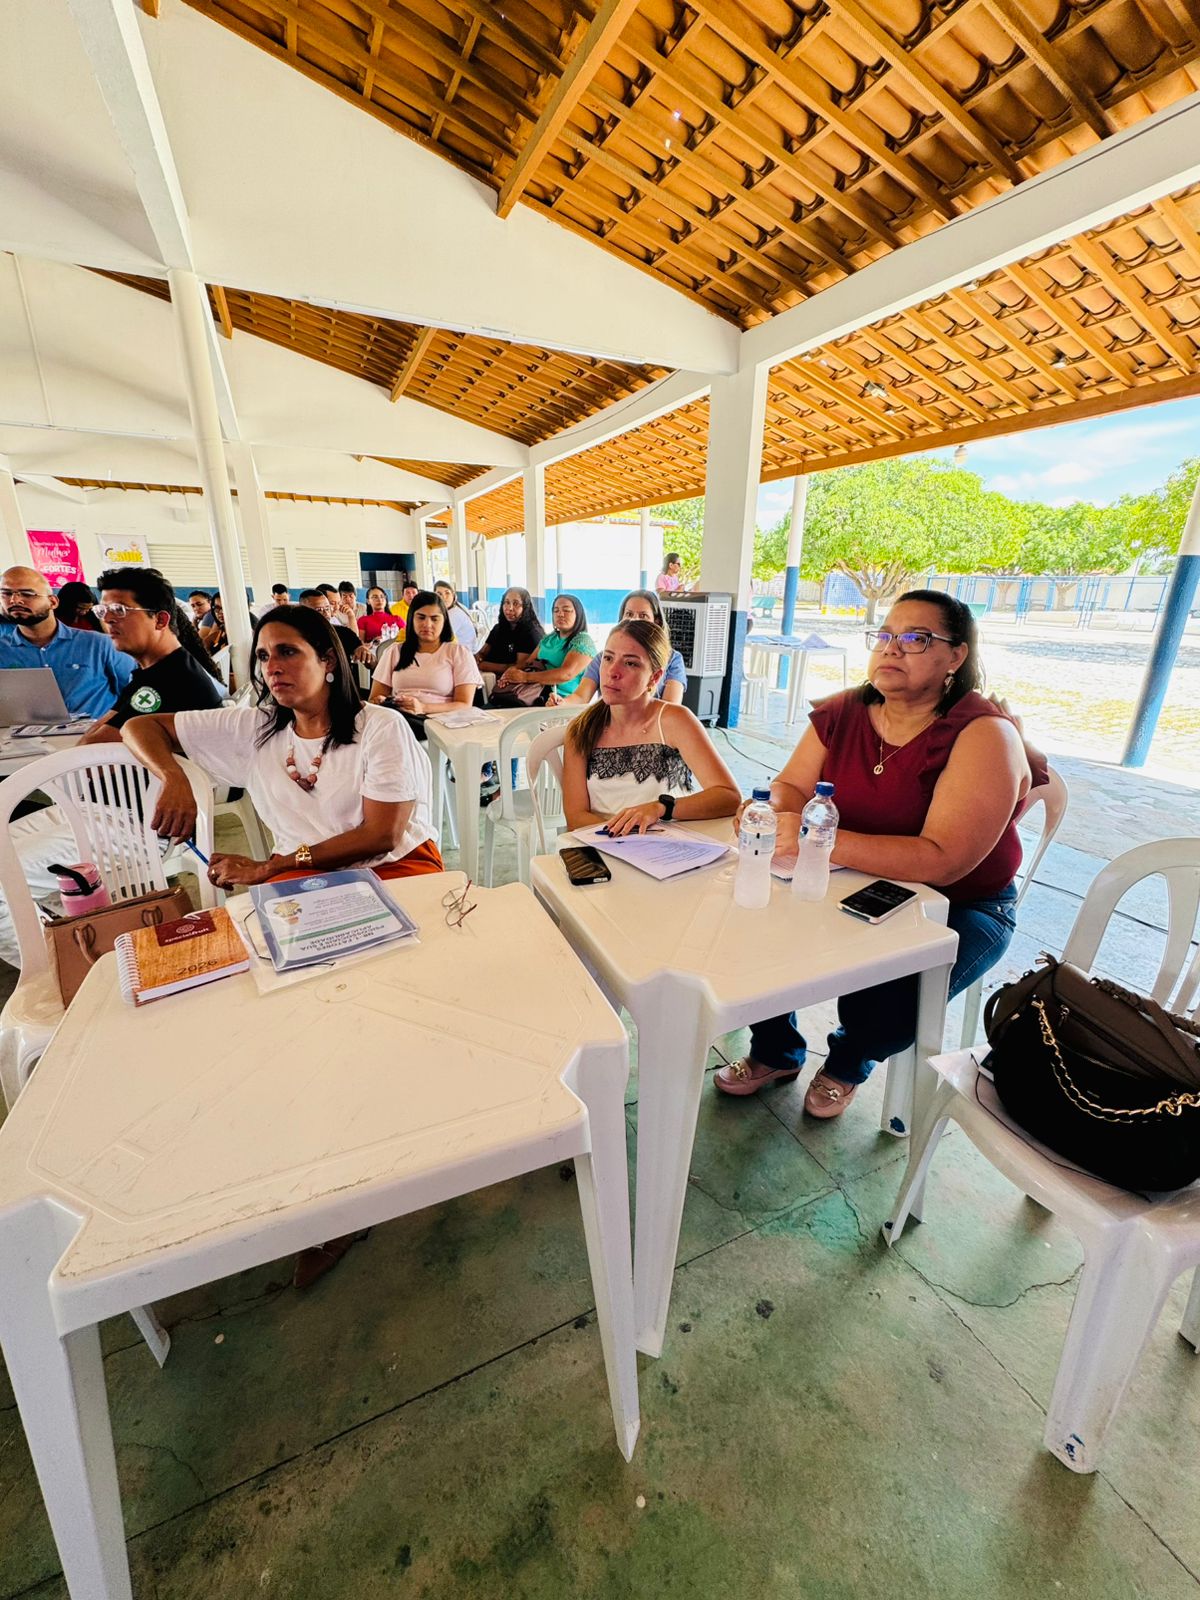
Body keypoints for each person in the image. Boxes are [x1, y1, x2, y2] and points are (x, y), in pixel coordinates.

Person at [122, 603, 441, 1287]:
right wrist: (174, 774)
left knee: (341, 1008)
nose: (273, 667)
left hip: (394, 873)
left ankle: (358, 1176)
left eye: (290, 652)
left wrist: (271, 866)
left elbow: (382, 836)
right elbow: (140, 724)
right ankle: (322, 1169)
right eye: (264, 656)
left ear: (330, 661)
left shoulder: (381, 729)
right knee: (275, 1013)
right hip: (303, 882)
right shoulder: (253, 728)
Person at [716, 590, 1043, 1118]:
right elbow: (793, 787)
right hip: (851, 880)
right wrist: (771, 811)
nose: (893, 648)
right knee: (750, 928)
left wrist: (812, 840)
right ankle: (775, 1051)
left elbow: (942, 859)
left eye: (916, 638)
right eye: (885, 636)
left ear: (956, 656)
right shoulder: (846, 711)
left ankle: (847, 1062)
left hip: (960, 902)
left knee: (880, 996)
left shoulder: (981, 733)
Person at [0, 569, 225, 968]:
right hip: (95, 809)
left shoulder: (177, 681)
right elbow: (98, 741)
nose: (108, 618)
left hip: (135, 824)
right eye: (104, 608)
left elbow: (99, 749)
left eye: (121, 608)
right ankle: (74, 958)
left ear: (160, 619)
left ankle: (55, 978)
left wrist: (100, 743)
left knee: (2, 887)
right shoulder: (148, 674)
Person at [561, 619, 739, 836]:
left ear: (654, 677)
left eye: (630, 663)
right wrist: (629, 839)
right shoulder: (581, 730)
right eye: (608, 658)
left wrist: (661, 807)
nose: (612, 671)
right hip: (604, 847)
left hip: (672, 849)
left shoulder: (675, 721)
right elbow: (576, 817)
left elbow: (728, 796)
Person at [0, 565, 132, 717]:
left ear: (53, 602)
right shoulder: (3, 651)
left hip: (96, 737)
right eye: (6, 594)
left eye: (28, 594)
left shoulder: (99, 645)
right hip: (26, 738)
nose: (15, 600)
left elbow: (133, 694)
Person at [369, 589, 482, 737]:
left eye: (435, 619)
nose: (427, 624)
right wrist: (381, 701)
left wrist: (422, 707)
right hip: (397, 718)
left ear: (444, 622)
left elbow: (464, 704)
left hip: (440, 723)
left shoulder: (458, 653)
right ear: (411, 619)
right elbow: (375, 698)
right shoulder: (394, 651)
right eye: (421, 618)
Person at [548, 590, 685, 707]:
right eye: (629, 614)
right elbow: (581, 697)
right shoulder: (602, 657)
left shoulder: (672, 659)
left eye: (643, 615)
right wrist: (561, 703)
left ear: (657, 622)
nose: (634, 620)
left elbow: (670, 706)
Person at [490, 593, 595, 706]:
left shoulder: (583, 641)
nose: (560, 614)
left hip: (559, 700)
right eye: (556, 610)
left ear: (578, 615)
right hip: (533, 693)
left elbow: (566, 674)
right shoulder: (549, 638)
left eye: (566, 610)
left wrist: (525, 677)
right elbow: (527, 663)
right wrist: (510, 674)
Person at [476, 587, 543, 678]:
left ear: (525, 607)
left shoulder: (531, 633)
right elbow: (483, 653)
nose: (510, 608)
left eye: (516, 604)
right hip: (488, 677)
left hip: (513, 683)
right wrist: (477, 658)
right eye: (507, 603)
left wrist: (484, 666)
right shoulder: (498, 628)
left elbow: (519, 667)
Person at [298, 588, 369, 669]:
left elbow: (371, 662)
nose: (326, 613)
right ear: (302, 613)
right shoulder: (296, 638)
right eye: (319, 610)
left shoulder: (344, 633)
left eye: (327, 608)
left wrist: (364, 653)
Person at [434, 580, 478, 651]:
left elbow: (441, 639)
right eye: (439, 594)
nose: (443, 597)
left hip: (465, 654)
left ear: (453, 595)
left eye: (447, 593)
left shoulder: (454, 613)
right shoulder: (456, 607)